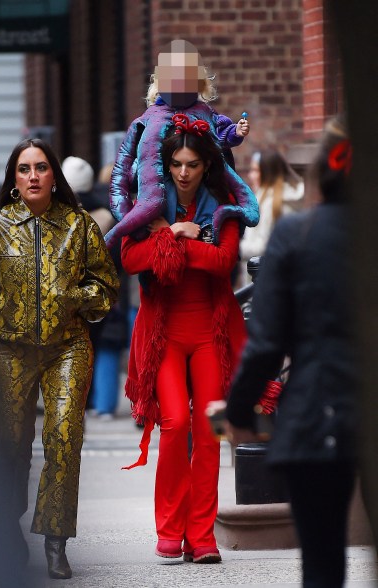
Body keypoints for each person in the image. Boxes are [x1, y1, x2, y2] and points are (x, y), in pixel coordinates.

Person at [225, 116, 358, 587]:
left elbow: (266, 341)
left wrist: (239, 409)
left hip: (318, 413)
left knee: (322, 566)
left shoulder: (298, 235)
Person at [120, 113, 258, 564]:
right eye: (176, 163)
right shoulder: (149, 207)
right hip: (164, 332)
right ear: (166, 165)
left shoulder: (224, 207)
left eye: (192, 164)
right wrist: (182, 236)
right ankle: (169, 528)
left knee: (211, 431)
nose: (183, 172)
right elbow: (131, 257)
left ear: (206, 167)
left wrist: (177, 238)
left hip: (211, 334)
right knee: (176, 422)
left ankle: (202, 536)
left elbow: (223, 262)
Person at [0, 139, 119, 580]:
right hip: (9, 347)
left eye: (41, 167)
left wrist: (75, 296)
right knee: (10, 446)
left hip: (68, 345)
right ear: (14, 179)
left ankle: (56, 542)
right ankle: (7, 530)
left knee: (65, 437)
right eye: (24, 169)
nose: (33, 176)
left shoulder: (79, 226)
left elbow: (106, 287)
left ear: (54, 175)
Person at [105, 39, 256, 249]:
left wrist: (235, 133)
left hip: (201, 198)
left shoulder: (205, 114)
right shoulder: (148, 119)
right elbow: (124, 168)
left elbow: (220, 135)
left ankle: (203, 230)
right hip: (164, 204)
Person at [238, 148, 304, 284]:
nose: (251, 175)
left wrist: (233, 248)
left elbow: (264, 246)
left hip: (267, 280)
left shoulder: (271, 204)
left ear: (268, 172)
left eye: (256, 170)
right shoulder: (267, 199)